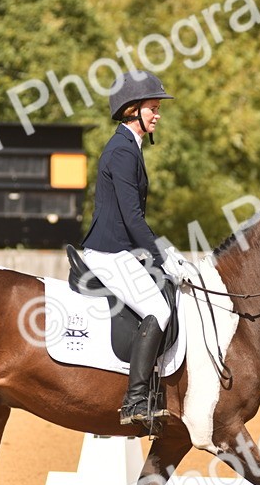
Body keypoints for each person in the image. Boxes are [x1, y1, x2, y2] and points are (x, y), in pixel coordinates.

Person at [80, 70, 188, 434]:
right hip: (108, 252)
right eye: (152, 108)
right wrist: (162, 254)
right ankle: (136, 399)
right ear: (131, 110)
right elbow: (131, 217)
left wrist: (161, 250)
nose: (158, 114)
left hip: (121, 250)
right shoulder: (122, 151)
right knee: (157, 308)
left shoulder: (130, 148)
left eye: (158, 108)